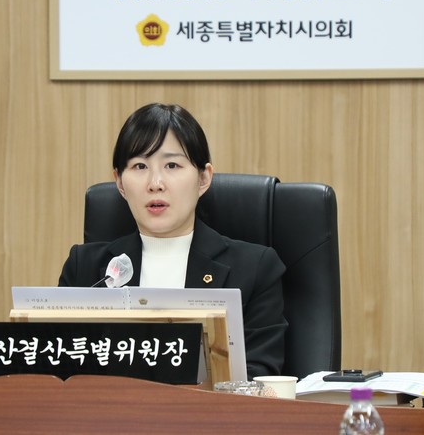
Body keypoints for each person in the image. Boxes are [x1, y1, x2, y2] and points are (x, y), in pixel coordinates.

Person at [58, 103, 287, 379]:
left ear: (203, 178)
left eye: (172, 165)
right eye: (140, 166)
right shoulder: (84, 268)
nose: (155, 183)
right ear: (119, 182)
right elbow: (58, 372)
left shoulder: (254, 269)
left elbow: (258, 376)